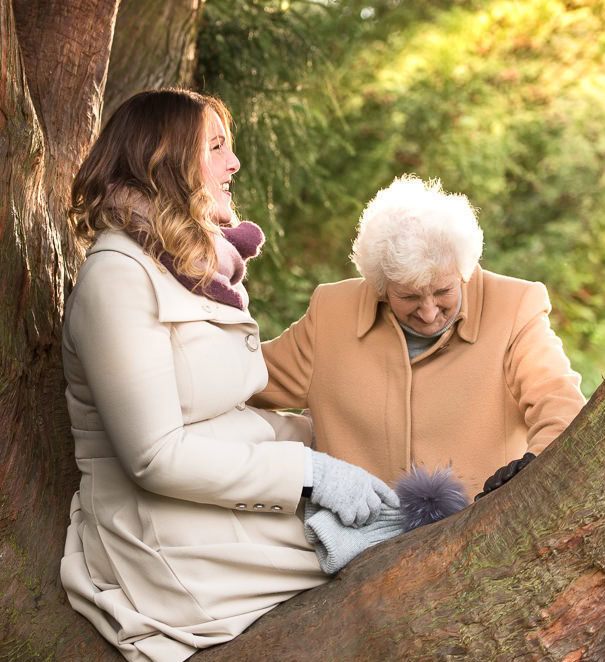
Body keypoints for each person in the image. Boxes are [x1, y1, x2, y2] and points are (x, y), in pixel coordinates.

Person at [58, 89, 397, 662]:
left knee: (406, 513)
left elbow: (224, 411)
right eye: (217, 149)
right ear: (165, 163)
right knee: (393, 552)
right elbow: (155, 457)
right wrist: (314, 471)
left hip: (214, 504)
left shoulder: (186, 267)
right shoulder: (118, 276)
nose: (234, 164)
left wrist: (334, 437)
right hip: (164, 536)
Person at [251, 175, 586, 497]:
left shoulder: (514, 307)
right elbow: (243, 380)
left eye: (442, 291)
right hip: (359, 539)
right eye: (409, 297)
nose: (428, 312)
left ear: (463, 271)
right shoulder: (332, 314)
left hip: (480, 535)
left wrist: (535, 467)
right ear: (380, 287)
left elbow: (558, 400)